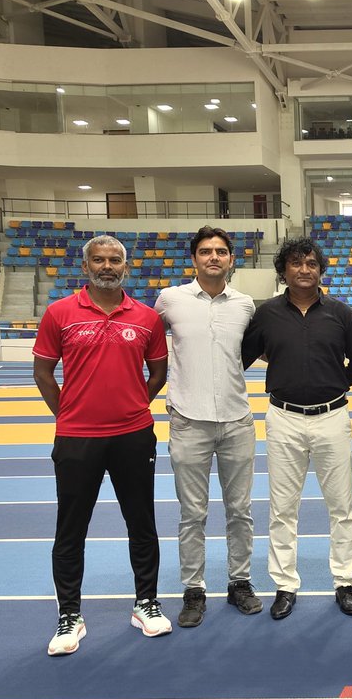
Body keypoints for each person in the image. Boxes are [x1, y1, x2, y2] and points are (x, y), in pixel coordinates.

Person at [33, 235, 170, 656]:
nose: (106, 266)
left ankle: (145, 603)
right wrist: (70, 413)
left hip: (133, 435)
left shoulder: (147, 318)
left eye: (114, 260)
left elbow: (158, 374)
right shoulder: (59, 313)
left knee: (141, 523)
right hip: (76, 438)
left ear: (125, 268)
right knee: (71, 529)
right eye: (99, 260)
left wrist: (130, 407)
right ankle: (69, 616)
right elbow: (43, 373)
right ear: (86, 265)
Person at [241, 237, 352, 619]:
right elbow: (241, 357)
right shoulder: (266, 315)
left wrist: (330, 383)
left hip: (332, 418)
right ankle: (284, 585)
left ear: (320, 270)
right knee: (282, 509)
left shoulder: (342, 313)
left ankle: (345, 581)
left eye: (311, 263)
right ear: (283, 270)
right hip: (283, 419)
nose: (304, 270)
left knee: (341, 507)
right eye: (296, 263)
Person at [154, 225, 261, 628]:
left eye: (220, 251)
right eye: (205, 251)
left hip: (236, 421)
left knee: (240, 511)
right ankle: (194, 590)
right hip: (188, 422)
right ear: (194, 259)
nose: (213, 257)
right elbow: (146, 343)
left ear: (232, 259)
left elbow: (247, 352)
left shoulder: (246, 305)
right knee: (192, 513)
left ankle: (240, 582)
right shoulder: (169, 300)